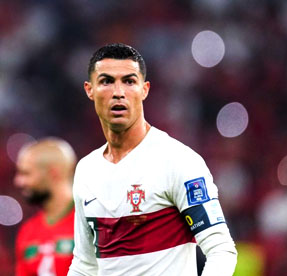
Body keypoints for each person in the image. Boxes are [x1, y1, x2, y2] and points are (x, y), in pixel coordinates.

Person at [68, 43, 237, 276]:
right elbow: (85, 266)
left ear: (144, 89)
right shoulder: (86, 170)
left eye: (129, 81)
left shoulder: (177, 161)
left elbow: (221, 250)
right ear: (89, 89)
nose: (119, 92)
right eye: (107, 81)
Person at [14, 138, 77, 276]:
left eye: (26, 173)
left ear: (53, 173)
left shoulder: (93, 222)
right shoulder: (27, 231)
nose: (18, 181)